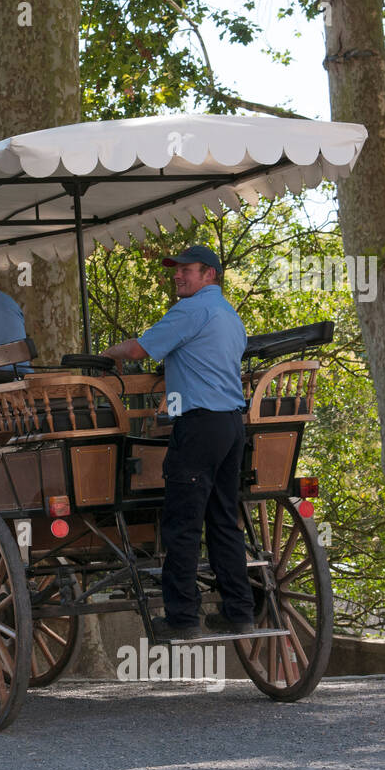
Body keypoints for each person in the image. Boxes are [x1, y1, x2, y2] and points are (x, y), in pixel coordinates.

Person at [101, 245, 255, 641]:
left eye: (186, 270)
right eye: (176, 270)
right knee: (223, 520)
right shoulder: (229, 316)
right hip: (231, 426)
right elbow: (199, 366)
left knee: (182, 523)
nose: (177, 276)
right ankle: (239, 611)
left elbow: (138, 349)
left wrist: (107, 354)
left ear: (210, 274)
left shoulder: (191, 310)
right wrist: (169, 402)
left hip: (200, 426)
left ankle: (183, 618)